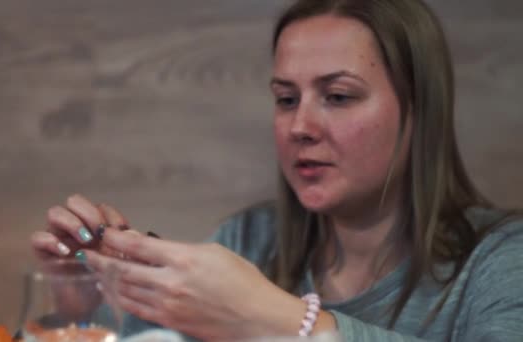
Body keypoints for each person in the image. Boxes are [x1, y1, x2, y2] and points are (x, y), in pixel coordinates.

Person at [30, 0, 523, 341]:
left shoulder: (502, 264)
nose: (300, 126)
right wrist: (83, 306)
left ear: (420, 110)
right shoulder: (247, 240)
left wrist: (274, 319)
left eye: (339, 96)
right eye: (286, 99)